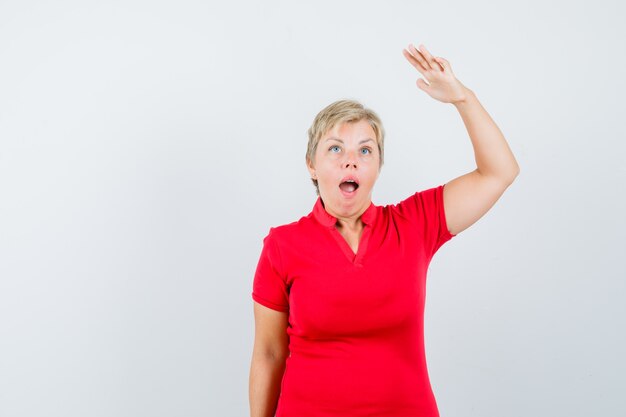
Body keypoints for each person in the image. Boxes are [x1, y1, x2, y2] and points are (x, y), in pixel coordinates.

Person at [249, 43, 520, 417]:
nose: (350, 160)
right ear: (311, 165)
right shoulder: (282, 245)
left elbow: (499, 172)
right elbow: (269, 352)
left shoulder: (416, 223)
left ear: (378, 164)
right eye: (334, 149)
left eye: (365, 150)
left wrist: (463, 98)